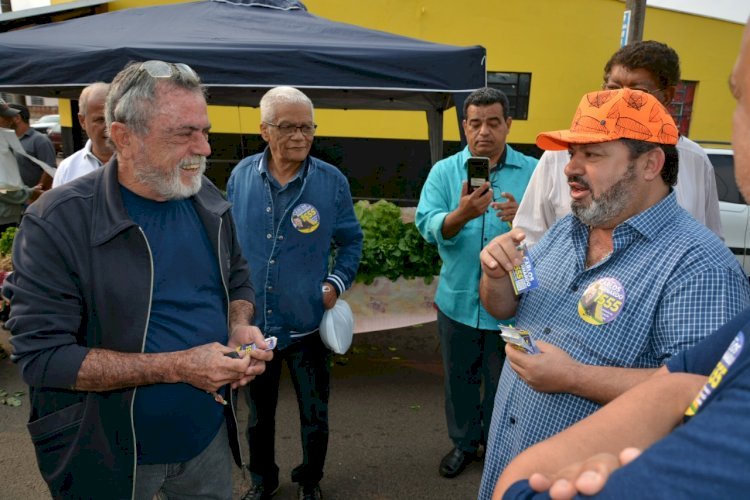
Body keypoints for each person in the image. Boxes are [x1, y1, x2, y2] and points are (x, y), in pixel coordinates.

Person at [489, 17, 750, 500]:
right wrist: (497, 272)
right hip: (511, 457)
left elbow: (701, 393)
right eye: (572, 152)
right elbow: (509, 306)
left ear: (650, 164)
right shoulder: (566, 229)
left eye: (593, 154)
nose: (570, 167)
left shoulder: (698, 266)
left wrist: (574, 378)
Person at [4, 60, 273, 500]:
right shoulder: (56, 221)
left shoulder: (206, 198)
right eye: (184, 133)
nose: (204, 148)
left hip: (206, 440)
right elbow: (42, 357)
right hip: (108, 455)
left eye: (204, 131)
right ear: (124, 136)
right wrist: (180, 366)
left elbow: (238, 280)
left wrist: (239, 324)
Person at [226, 86, 363, 500]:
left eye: (307, 127)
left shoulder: (330, 181)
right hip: (256, 328)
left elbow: (351, 242)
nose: (300, 136)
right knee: (257, 418)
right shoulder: (240, 177)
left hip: (306, 325)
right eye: (288, 127)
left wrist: (334, 284)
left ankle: (309, 481)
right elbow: (230, 243)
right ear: (265, 130)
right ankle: (262, 480)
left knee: (314, 414)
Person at [415, 87, 538, 479]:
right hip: (458, 299)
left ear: (508, 125)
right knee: (460, 381)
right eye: (475, 123)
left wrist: (525, 220)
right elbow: (427, 225)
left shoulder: (535, 172)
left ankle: (501, 447)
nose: (483, 131)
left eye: (493, 122)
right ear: (465, 126)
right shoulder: (444, 172)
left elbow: (558, 228)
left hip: (518, 304)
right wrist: (462, 214)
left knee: (507, 380)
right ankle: (464, 444)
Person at [513, 41, 723, 246]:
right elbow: (525, 240)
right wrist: (513, 280)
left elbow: (712, 241)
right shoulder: (556, 156)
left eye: (636, 93)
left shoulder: (696, 161)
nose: (619, 100)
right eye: (612, 88)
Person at [52, 82, 113, 187]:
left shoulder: (144, 164)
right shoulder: (67, 169)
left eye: (114, 118)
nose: (109, 127)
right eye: (100, 119)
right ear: (82, 121)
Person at [1, 102, 55, 191]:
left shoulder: (39, 140)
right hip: (15, 197)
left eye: (3, 117)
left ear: (17, 118)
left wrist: (35, 195)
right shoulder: (7, 140)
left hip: (32, 199)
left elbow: (50, 170)